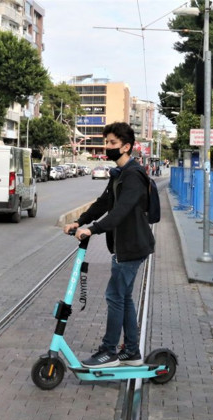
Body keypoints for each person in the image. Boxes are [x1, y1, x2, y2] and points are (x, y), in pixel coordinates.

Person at [63, 122, 155, 369]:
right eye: (107, 142)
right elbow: (103, 203)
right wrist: (79, 221)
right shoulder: (119, 174)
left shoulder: (133, 175)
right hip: (124, 246)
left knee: (114, 296)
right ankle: (132, 352)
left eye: (113, 143)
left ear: (126, 146)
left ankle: (109, 351)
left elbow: (120, 212)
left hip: (132, 246)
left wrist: (92, 229)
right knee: (123, 297)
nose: (108, 147)